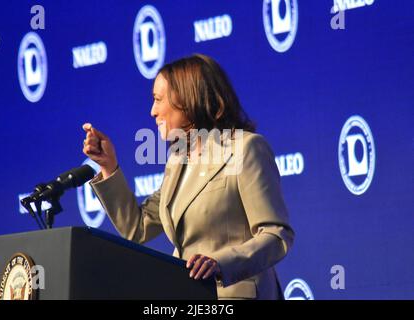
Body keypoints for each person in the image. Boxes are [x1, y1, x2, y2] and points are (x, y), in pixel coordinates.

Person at [82, 54, 294, 300]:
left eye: (158, 99)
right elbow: (137, 228)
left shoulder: (245, 149)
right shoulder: (177, 161)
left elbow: (276, 235)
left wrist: (221, 263)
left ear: (189, 99)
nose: (152, 111)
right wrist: (109, 167)